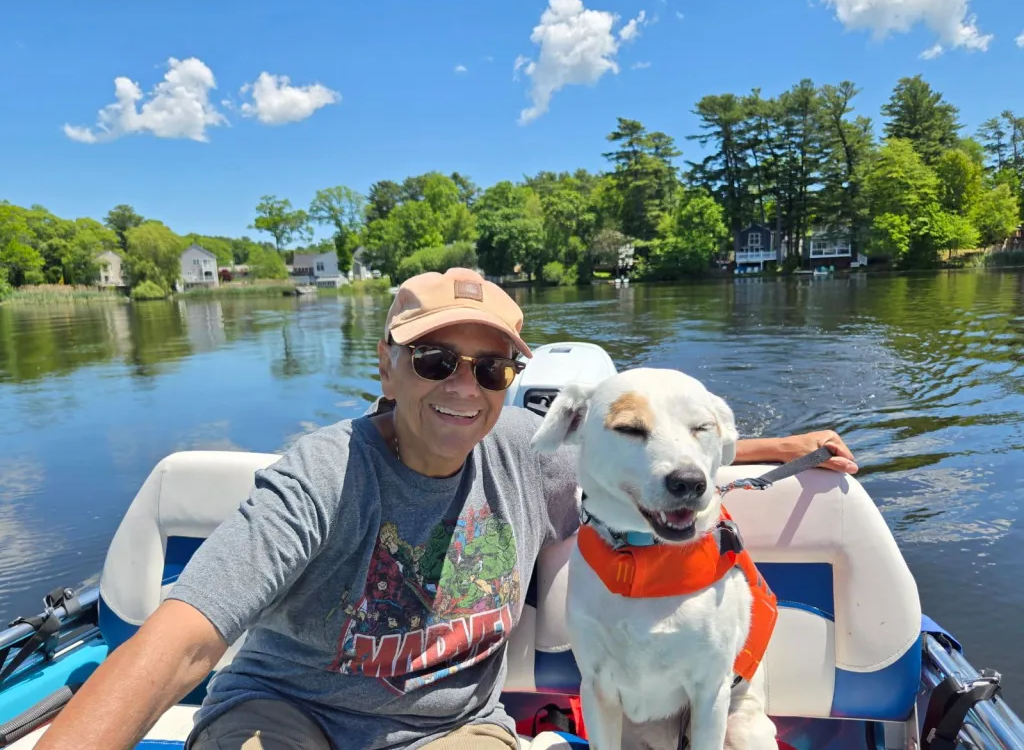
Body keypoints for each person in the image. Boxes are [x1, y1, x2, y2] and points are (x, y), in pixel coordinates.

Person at [36, 267, 857, 750]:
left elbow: (644, 458)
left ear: (511, 385)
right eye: (435, 360)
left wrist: (772, 451)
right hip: (289, 717)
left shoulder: (531, 465)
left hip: (450, 734)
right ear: (387, 369)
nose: (464, 388)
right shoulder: (320, 476)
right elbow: (181, 641)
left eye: (492, 369)